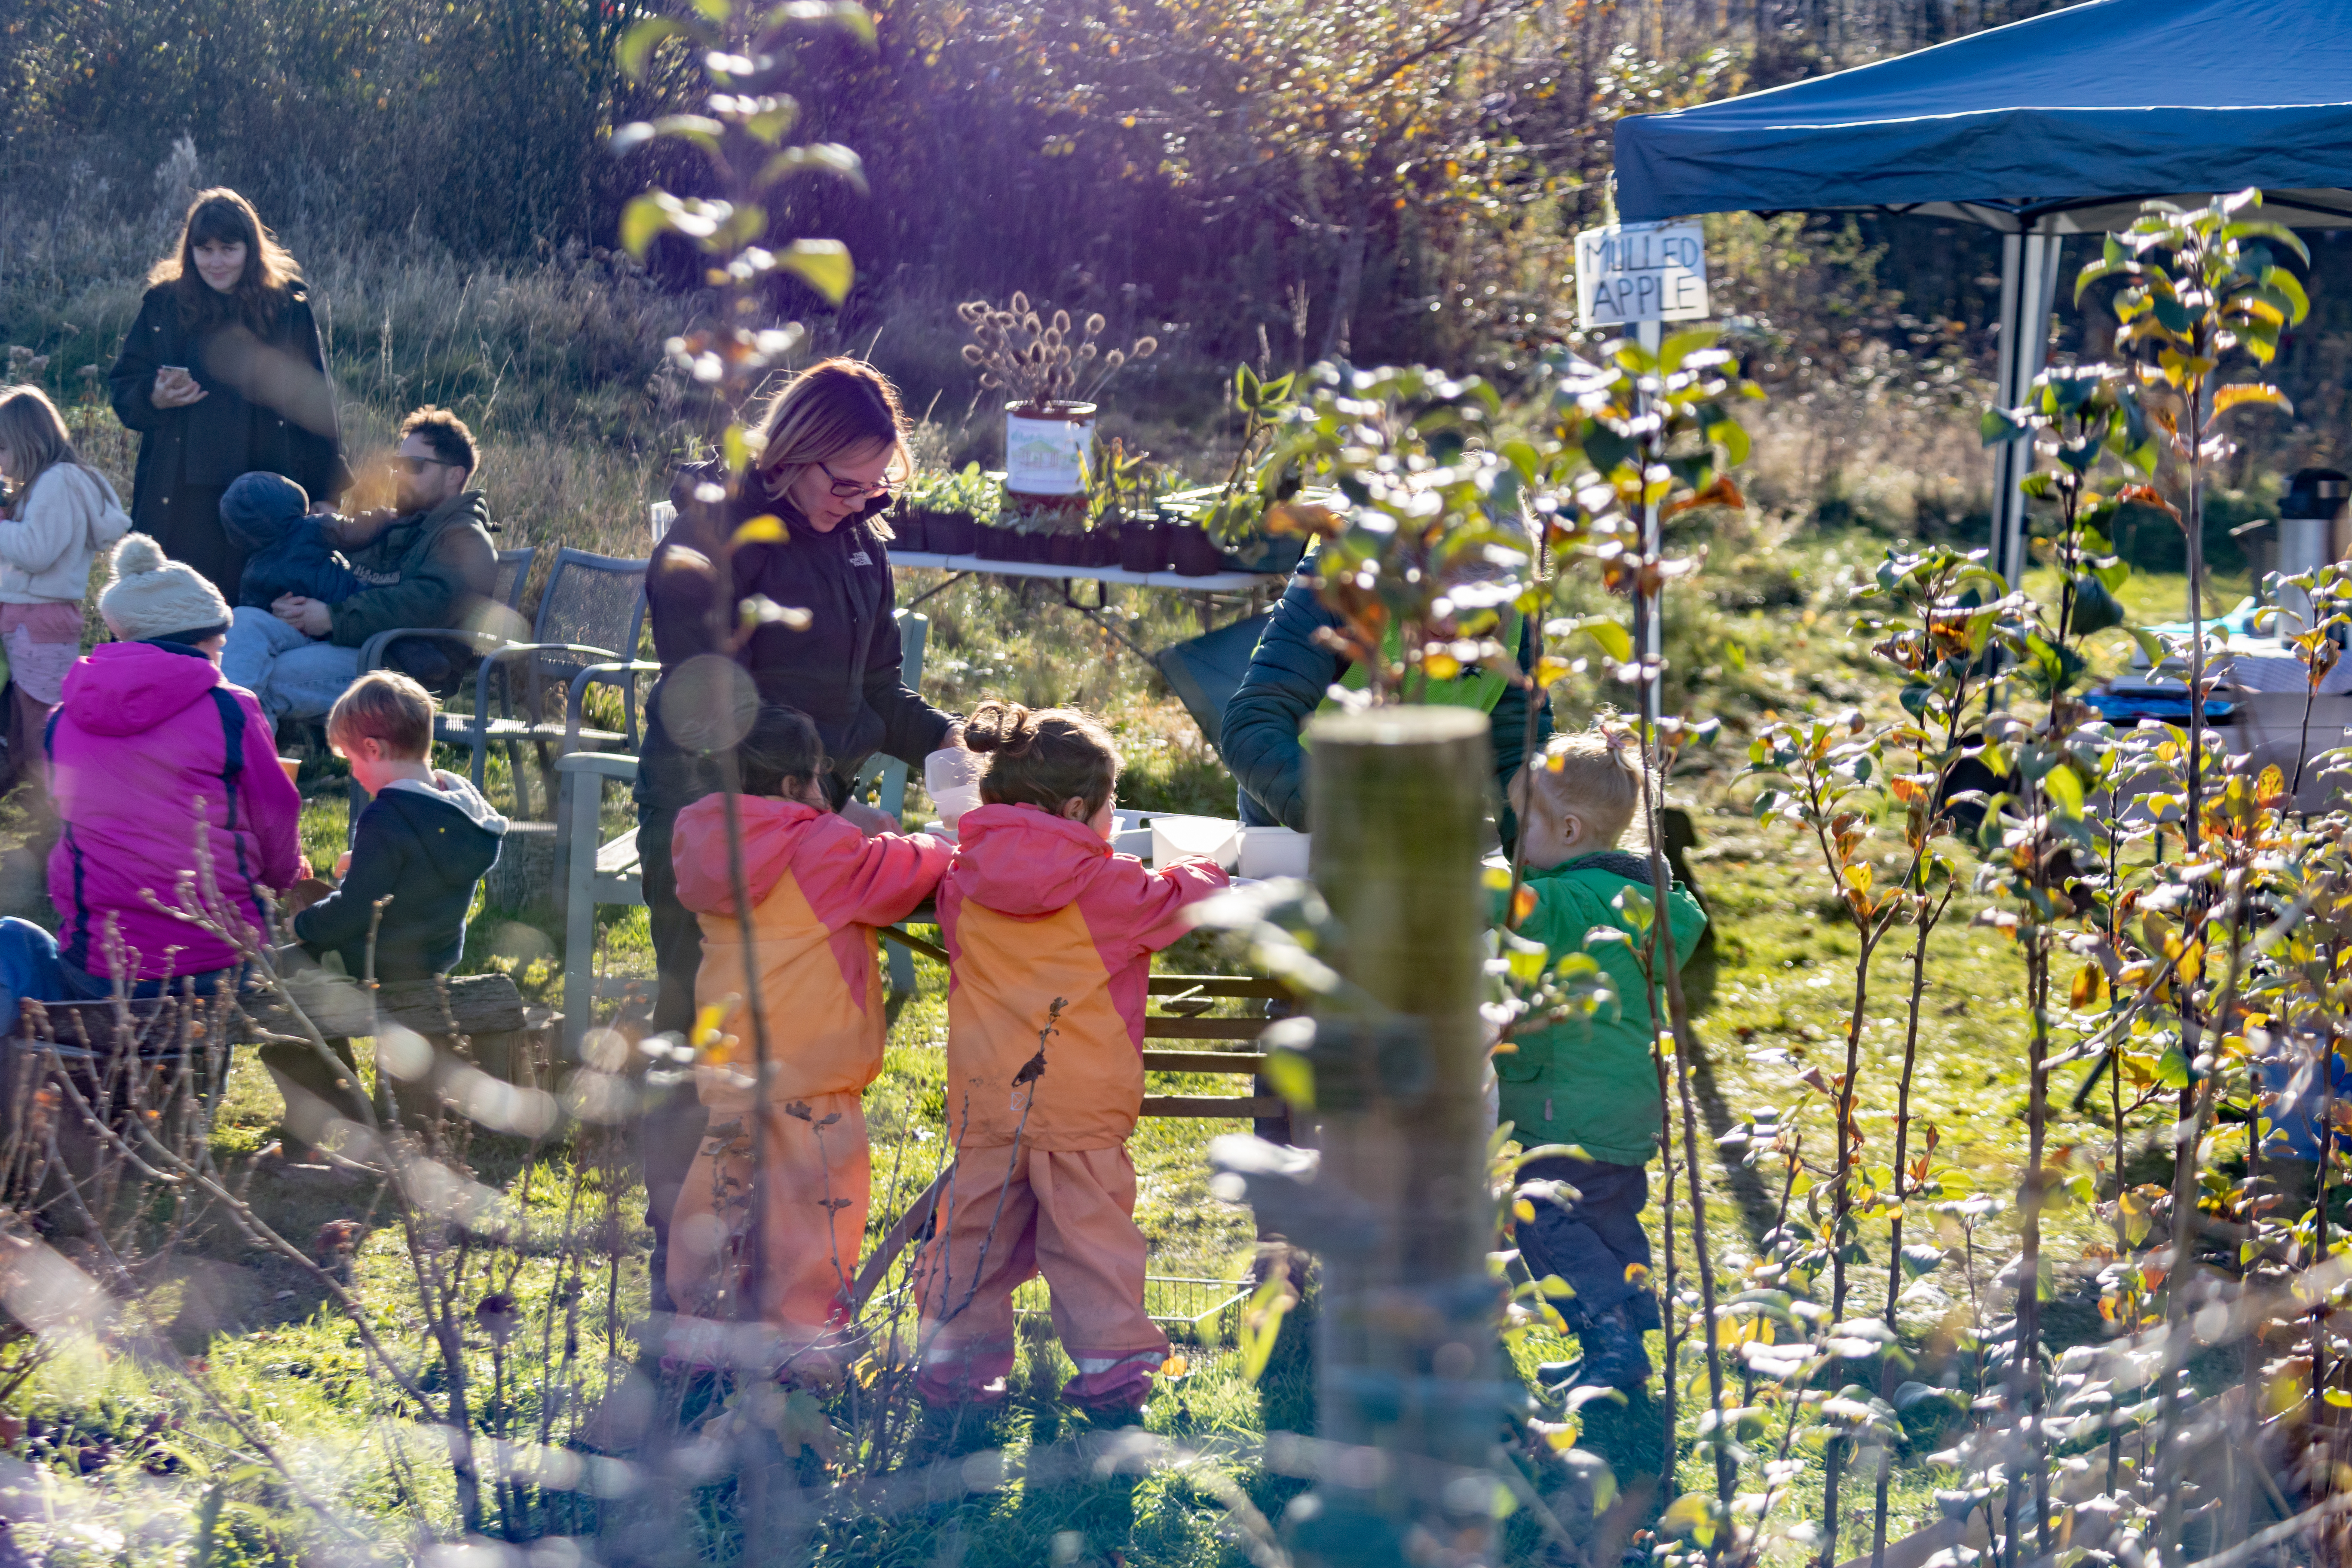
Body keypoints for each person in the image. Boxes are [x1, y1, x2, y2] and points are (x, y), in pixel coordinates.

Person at [636, 357, 964, 1311]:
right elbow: (707, 703)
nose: (859, 501)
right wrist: (813, 800)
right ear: (794, 451)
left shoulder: (860, 543)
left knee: (795, 1040)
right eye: (842, 481)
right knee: (703, 1024)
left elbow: (878, 692)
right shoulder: (716, 539)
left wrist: (955, 745)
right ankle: (684, 1257)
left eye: (876, 485)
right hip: (712, 817)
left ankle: (773, 1259)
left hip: (809, 825)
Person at [914, 701, 1228, 1413]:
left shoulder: (961, 879)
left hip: (987, 1097)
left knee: (972, 1240)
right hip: (1081, 1102)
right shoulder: (1107, 885)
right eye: (1111, 804)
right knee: (1092, 1249)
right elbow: (1180, 902)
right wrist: (1207, 870)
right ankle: (1111, 1372)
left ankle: (954, 1374)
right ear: (1082, 805)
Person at [662, 704, 950, 1375]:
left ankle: (698, 1333)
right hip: (814, 1073)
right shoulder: (823, 848)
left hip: (732, 1065)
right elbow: (905, 874)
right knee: (816, 1214)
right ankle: (801, 1348)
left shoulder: (702, 839)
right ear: (797, 784)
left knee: (719, 1196)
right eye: (825, 783)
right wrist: (938, 842)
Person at [0, 536, 303, 1039]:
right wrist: (281, 879)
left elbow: (68, 837)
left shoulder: (63, 721)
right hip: (224, 967)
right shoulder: (232, 709)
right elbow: (276, 813)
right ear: (204, 641)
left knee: (12, 939)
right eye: (220, 645)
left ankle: (24, 1084)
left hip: (104, 975)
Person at [1500, 729, 1706, 1393]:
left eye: (1520, 822)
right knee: (1609, 1218)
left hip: (1566, 1114)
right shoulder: (1652, 902)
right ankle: (1623, 1351)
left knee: (1541, 1217)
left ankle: (1607, 1333)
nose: (1512, 840)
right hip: (1625, 1113)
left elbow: (1505, 907)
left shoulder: (1572, 901)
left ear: (1565, 828)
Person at [107, 188, 348, 597]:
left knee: (254, 607)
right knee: (169, 610)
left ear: (250, 249)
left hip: (264, 488)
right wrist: (154, 394)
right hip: (180, 492)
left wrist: (327, 492)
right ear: (190, 251)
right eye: (205, 249)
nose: (216, 262)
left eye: (228, 249)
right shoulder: (164, 305)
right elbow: (124, 384)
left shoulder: (287, 306)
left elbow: (316, 404)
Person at [1221, 549, 1550, 841]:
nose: (1451, 625)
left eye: (1474, 609)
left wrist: (1554, 876)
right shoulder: (1340, 580)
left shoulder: (1517, 617)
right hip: (1293, 813)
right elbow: (1256, 722)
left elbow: (1518, 758)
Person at [221, 406, 497, 720]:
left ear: (455, 475)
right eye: (398, 464)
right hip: (350, 640)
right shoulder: (398, 524)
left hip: (398, 664)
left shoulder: (464, 538)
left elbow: (425, 604)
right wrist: (293, 604)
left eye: (416, 466)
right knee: (244, 622)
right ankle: (226, 752)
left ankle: (228, 759)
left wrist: (332, 617)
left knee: (263, 679)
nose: (400, 474)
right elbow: (338, 572)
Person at [0, 386, 132, 794]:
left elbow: (37, 552)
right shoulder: (57, 482)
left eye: (2, 448)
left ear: (29, 442)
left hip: (38, 618)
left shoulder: (58, 482)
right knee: (23, 718)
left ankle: (57, 813)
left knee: (41, 720)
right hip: (30, 616)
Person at [218, 471, 358, 611]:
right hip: (349, 603)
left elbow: (255, 609)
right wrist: (380, 518)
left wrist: (274, 613)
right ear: (289, 496)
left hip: (299, 625)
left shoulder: (253, 573)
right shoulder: (312, 527)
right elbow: (358, 531)